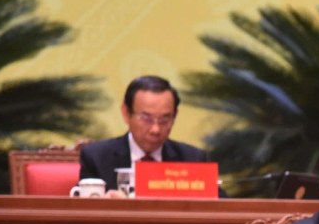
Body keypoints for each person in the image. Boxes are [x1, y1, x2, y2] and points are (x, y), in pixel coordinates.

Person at [78, 76, 218, 195]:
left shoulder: (192, 160)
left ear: (175, 117)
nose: (155, 129)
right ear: (126, 113)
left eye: (164, 120)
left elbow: (221, 208)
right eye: (146, 119)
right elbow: (85, 209)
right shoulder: (96, 157)